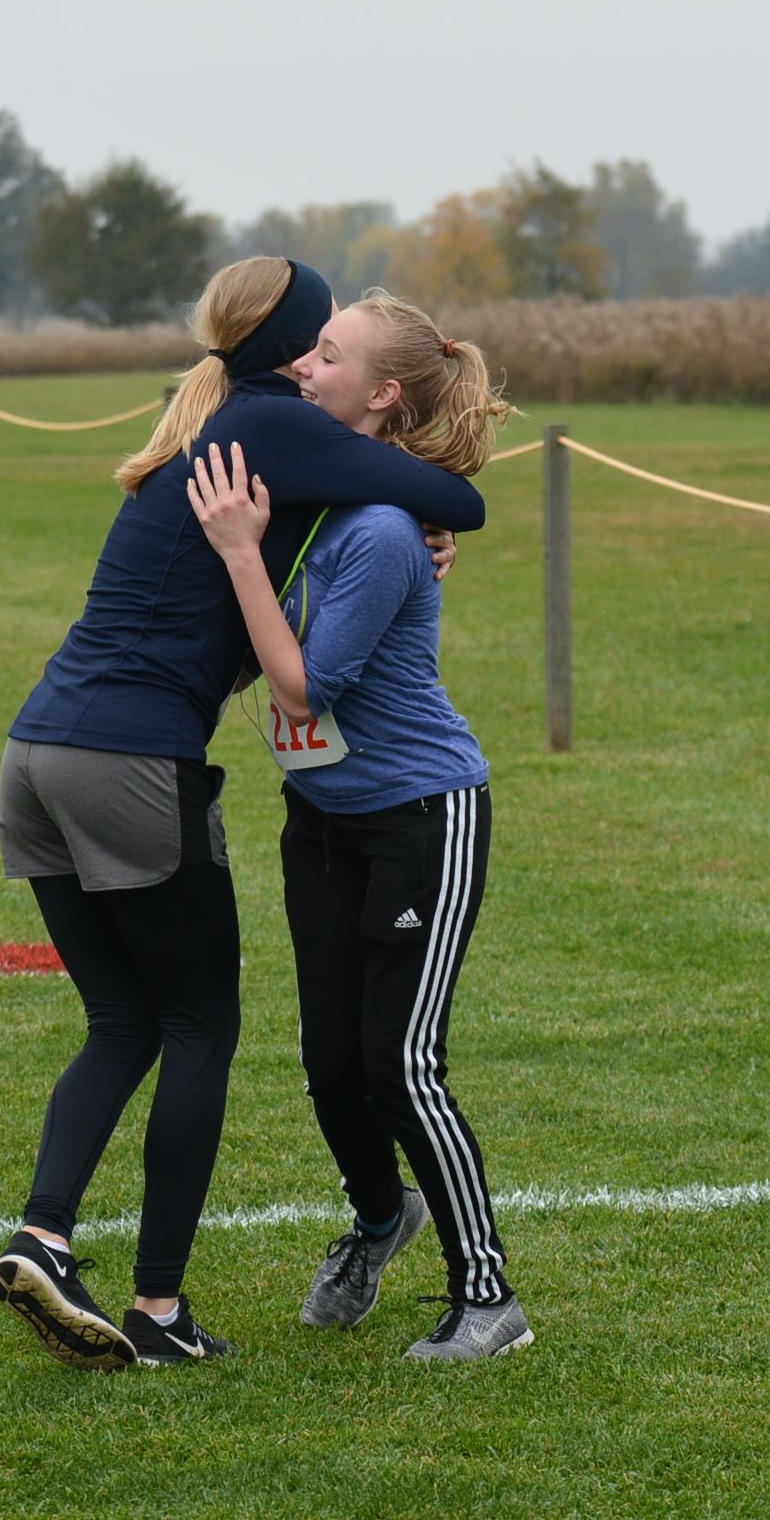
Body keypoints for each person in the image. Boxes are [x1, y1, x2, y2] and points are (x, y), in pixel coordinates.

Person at [0, 258, 486, 1370]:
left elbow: (351, 538)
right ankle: (159, 1311)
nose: (317, 364)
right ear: (288, 347)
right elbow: (464, 495)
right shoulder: (270, 424)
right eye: (317, 342)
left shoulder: (221, 425)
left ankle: (42, 1237)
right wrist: (425, 512)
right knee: (199, 1024)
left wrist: (404, 532)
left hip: (36, 751)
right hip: (128, 762)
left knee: (121, 1020)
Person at [188, 292, 533, 1362]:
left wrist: (241, 555)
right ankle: (382, 1220)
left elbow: (303, 691)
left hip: (420, 817)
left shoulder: (383, 530)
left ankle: (488, 1299)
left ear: (383, 394)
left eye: (326, 354)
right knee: (331, 1065)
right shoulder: (329, 503)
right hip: (322, 820)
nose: (302, 365)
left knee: (401, 1063)